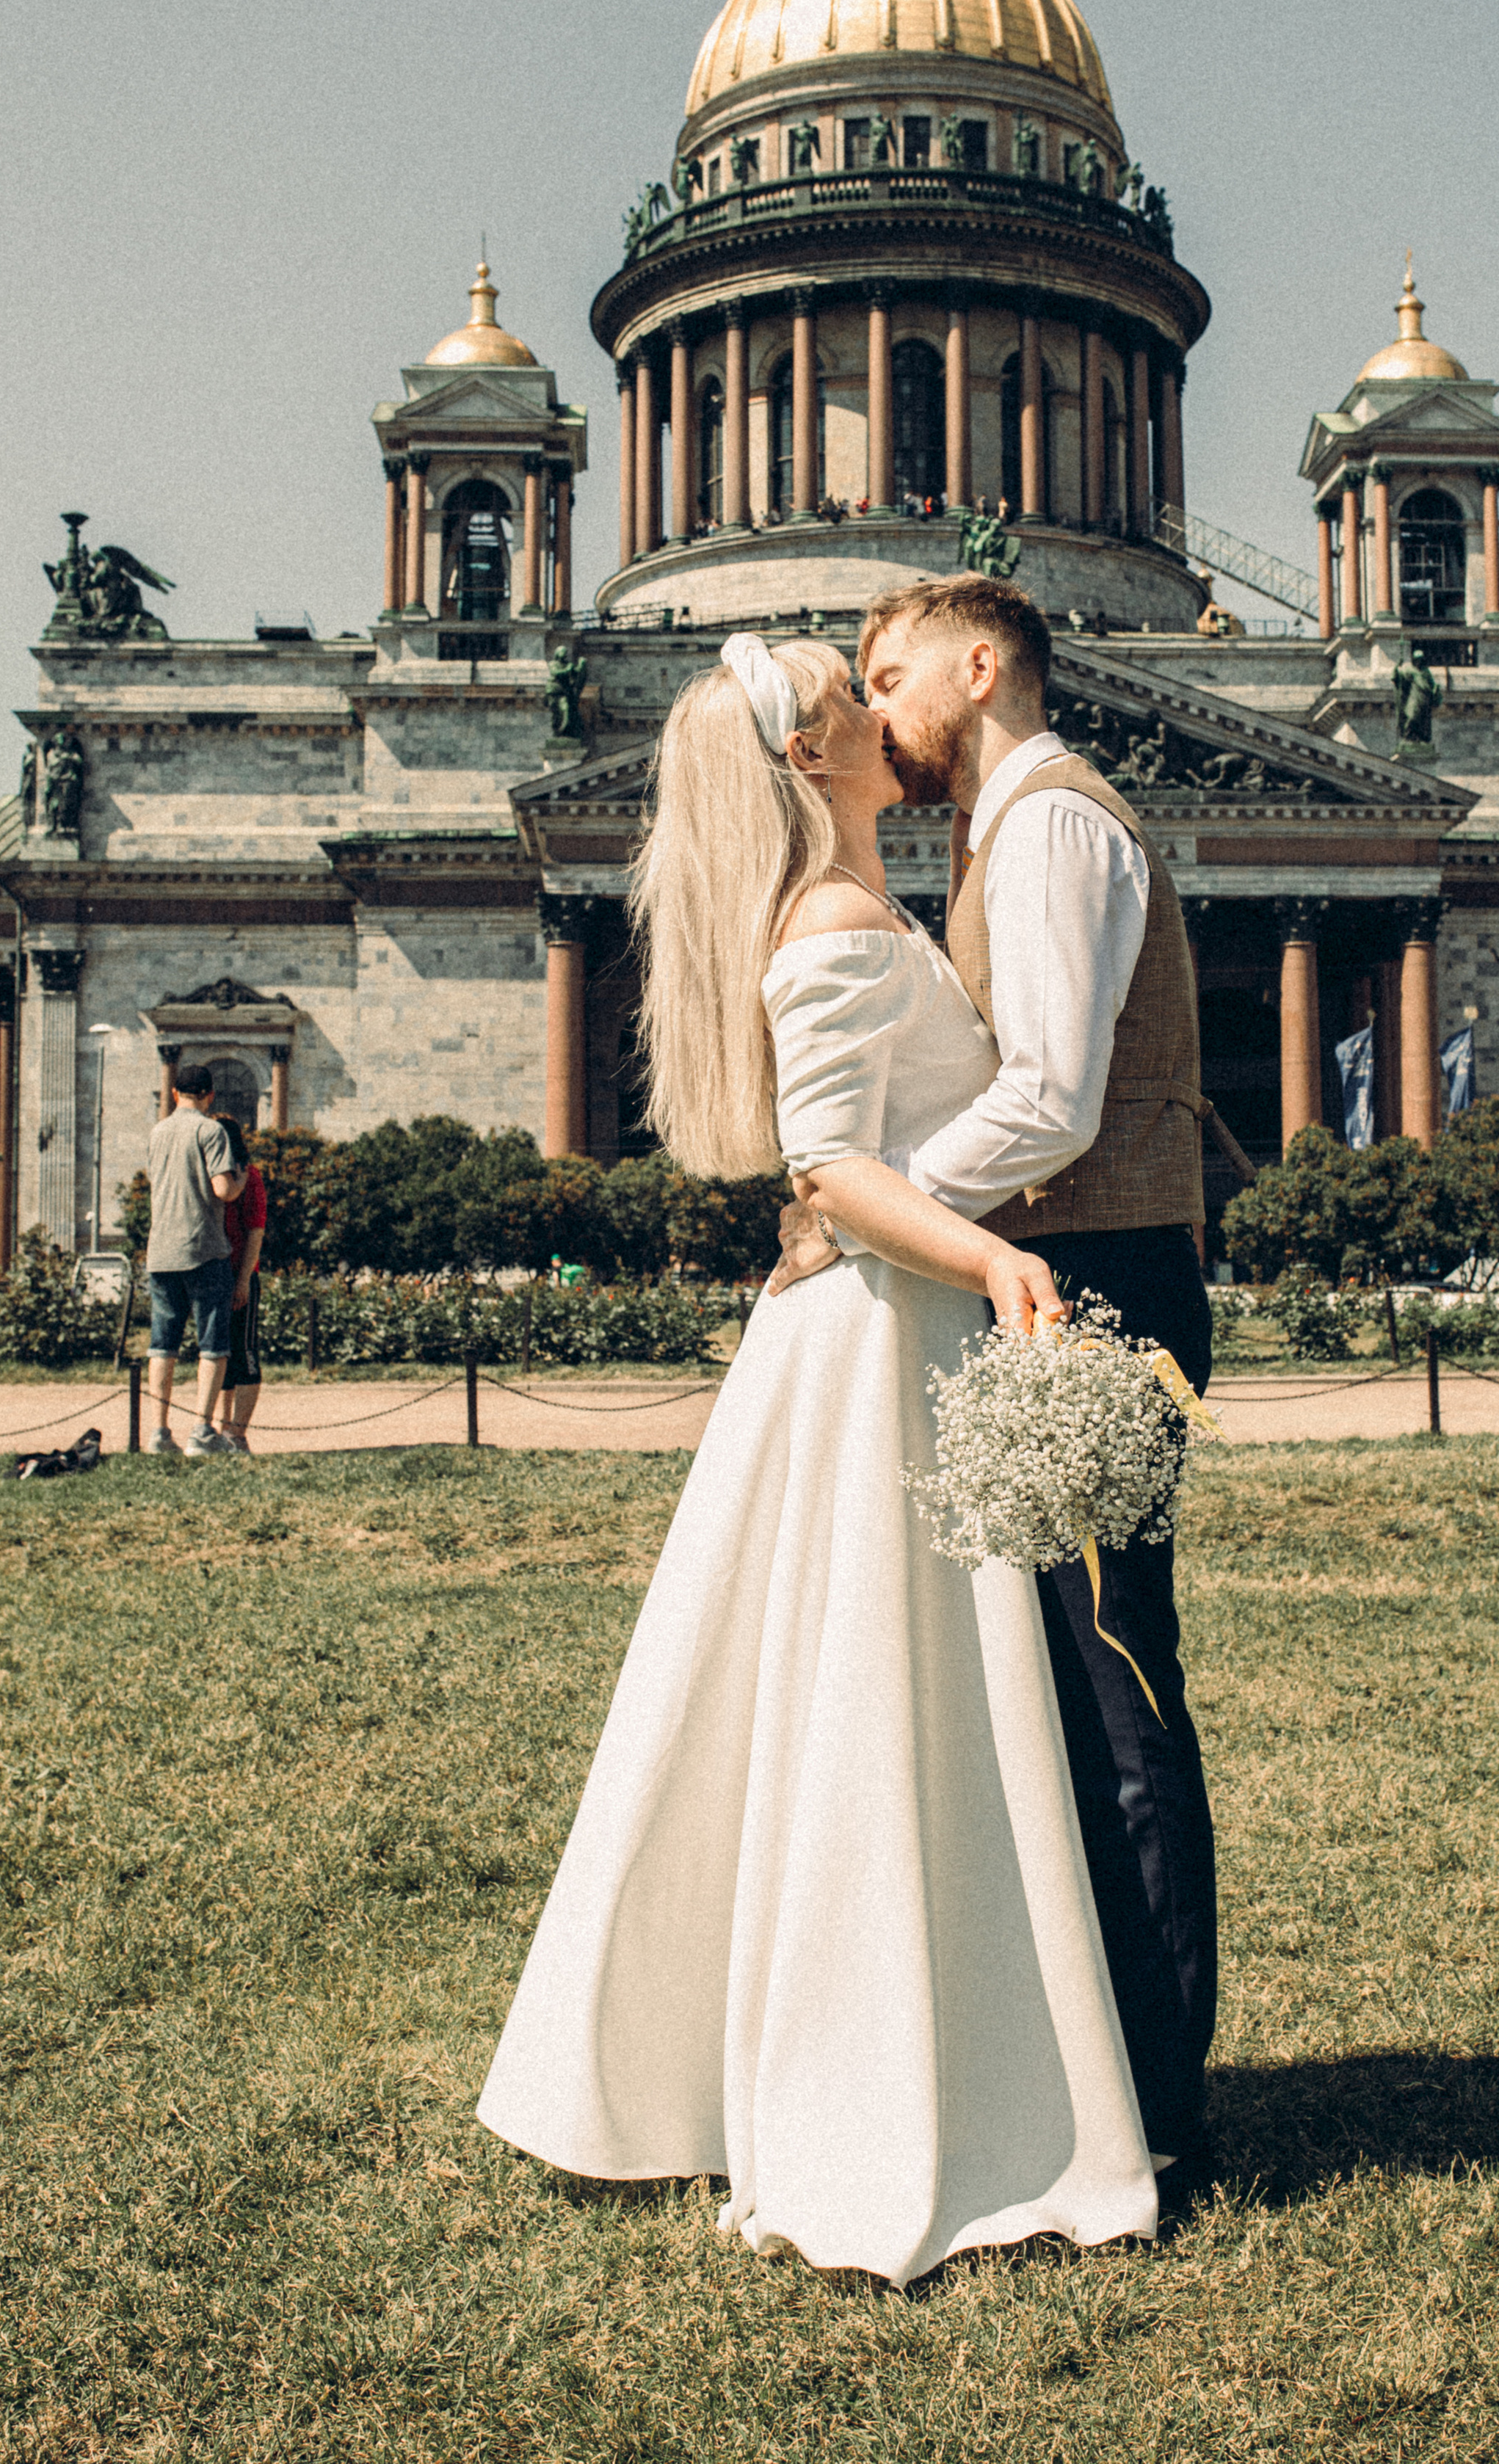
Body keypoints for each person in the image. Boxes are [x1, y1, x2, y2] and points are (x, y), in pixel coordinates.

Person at [479, 628, 1165, 2286]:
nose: (881, 704)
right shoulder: (839, 924)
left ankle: (882, 2054)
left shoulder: (866, 905)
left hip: (867, 1338)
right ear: (808, 755)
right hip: (882, 1341)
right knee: (887, 1718)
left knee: (861, 1717)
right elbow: (834, 1166)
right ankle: (890, 2080)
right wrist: (994, 1256)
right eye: (848, 690)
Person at [781, 572, 1217, 2188]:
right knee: (1069, 1691)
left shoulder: (1043, 827)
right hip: (1066, 1279)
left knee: (1116, 1698)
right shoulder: (1002, 829)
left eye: (887, 674)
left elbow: (1046, 1103)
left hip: (1095, 1288)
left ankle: (1158, 2107)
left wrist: (871, 1209)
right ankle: (1104, 2064)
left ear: (980, 666)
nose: (874, 709)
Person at [145, 1064, 246, 1454]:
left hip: (161, 1251)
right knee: (212, 1344)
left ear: (174, 1094)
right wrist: (240, 1177)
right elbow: (223, 1189)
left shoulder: (158, 1132)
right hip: (203, 1249)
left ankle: (159, 1432)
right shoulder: (210, 1130)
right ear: (210, 1096)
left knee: (162, 1346)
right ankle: (202, 1432)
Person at [214, 1112, 267, 1451]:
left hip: (240, 1274)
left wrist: (244, 1280)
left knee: (244, 1354)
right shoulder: (213, 1178)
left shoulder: (251, 1177)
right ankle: (222, 1426)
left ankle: (238, 1433)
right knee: (218, 1353)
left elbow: (256, 1230)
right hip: (212, 1275)